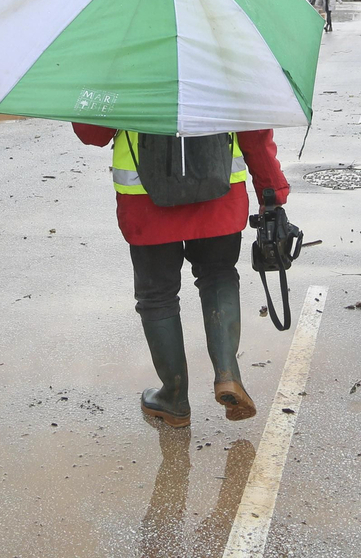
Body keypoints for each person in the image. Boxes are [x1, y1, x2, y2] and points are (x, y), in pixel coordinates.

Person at [72, 123, 291, 428]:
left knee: (157, 295)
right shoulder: (227, 71)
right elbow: (254, 129)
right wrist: (272, 190)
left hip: (145, 196)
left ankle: (174, 398)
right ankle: (227, 373)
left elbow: (92, 134)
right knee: (218, 275)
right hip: (220, 188)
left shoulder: (122, 72)